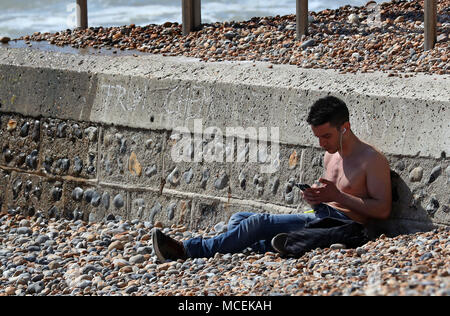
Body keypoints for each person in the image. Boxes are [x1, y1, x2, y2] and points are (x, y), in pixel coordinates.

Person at [152, 96, 392, 262]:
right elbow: (331, 197)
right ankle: (260, 246)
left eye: (326, 136)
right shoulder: (332, 155)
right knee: (240, 218)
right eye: (318, 137)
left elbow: (382, 210)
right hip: (319, 215)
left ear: (345, 127)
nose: (321, 143)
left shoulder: (371, 160)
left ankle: (187, 250)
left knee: (257, 223)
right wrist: (316, 198)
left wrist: (337, 196)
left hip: (342, 224)